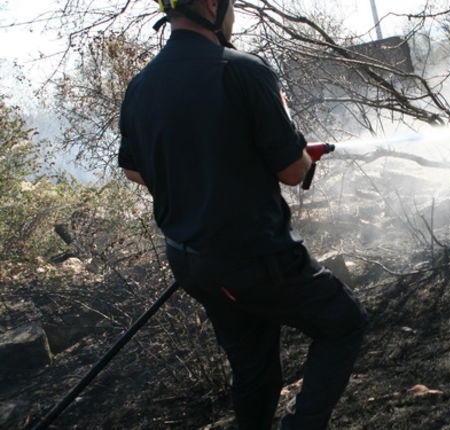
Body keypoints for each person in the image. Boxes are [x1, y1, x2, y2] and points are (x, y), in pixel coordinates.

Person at [117, 1, 367, 429]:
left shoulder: (141, 85)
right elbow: (291, 171)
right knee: (343, 322)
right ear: (213, 6)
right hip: (254, 258)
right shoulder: (242, 70)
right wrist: (302, 158)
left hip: (192, 260)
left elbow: (133, 170)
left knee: (254, 370)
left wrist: (200, 175)